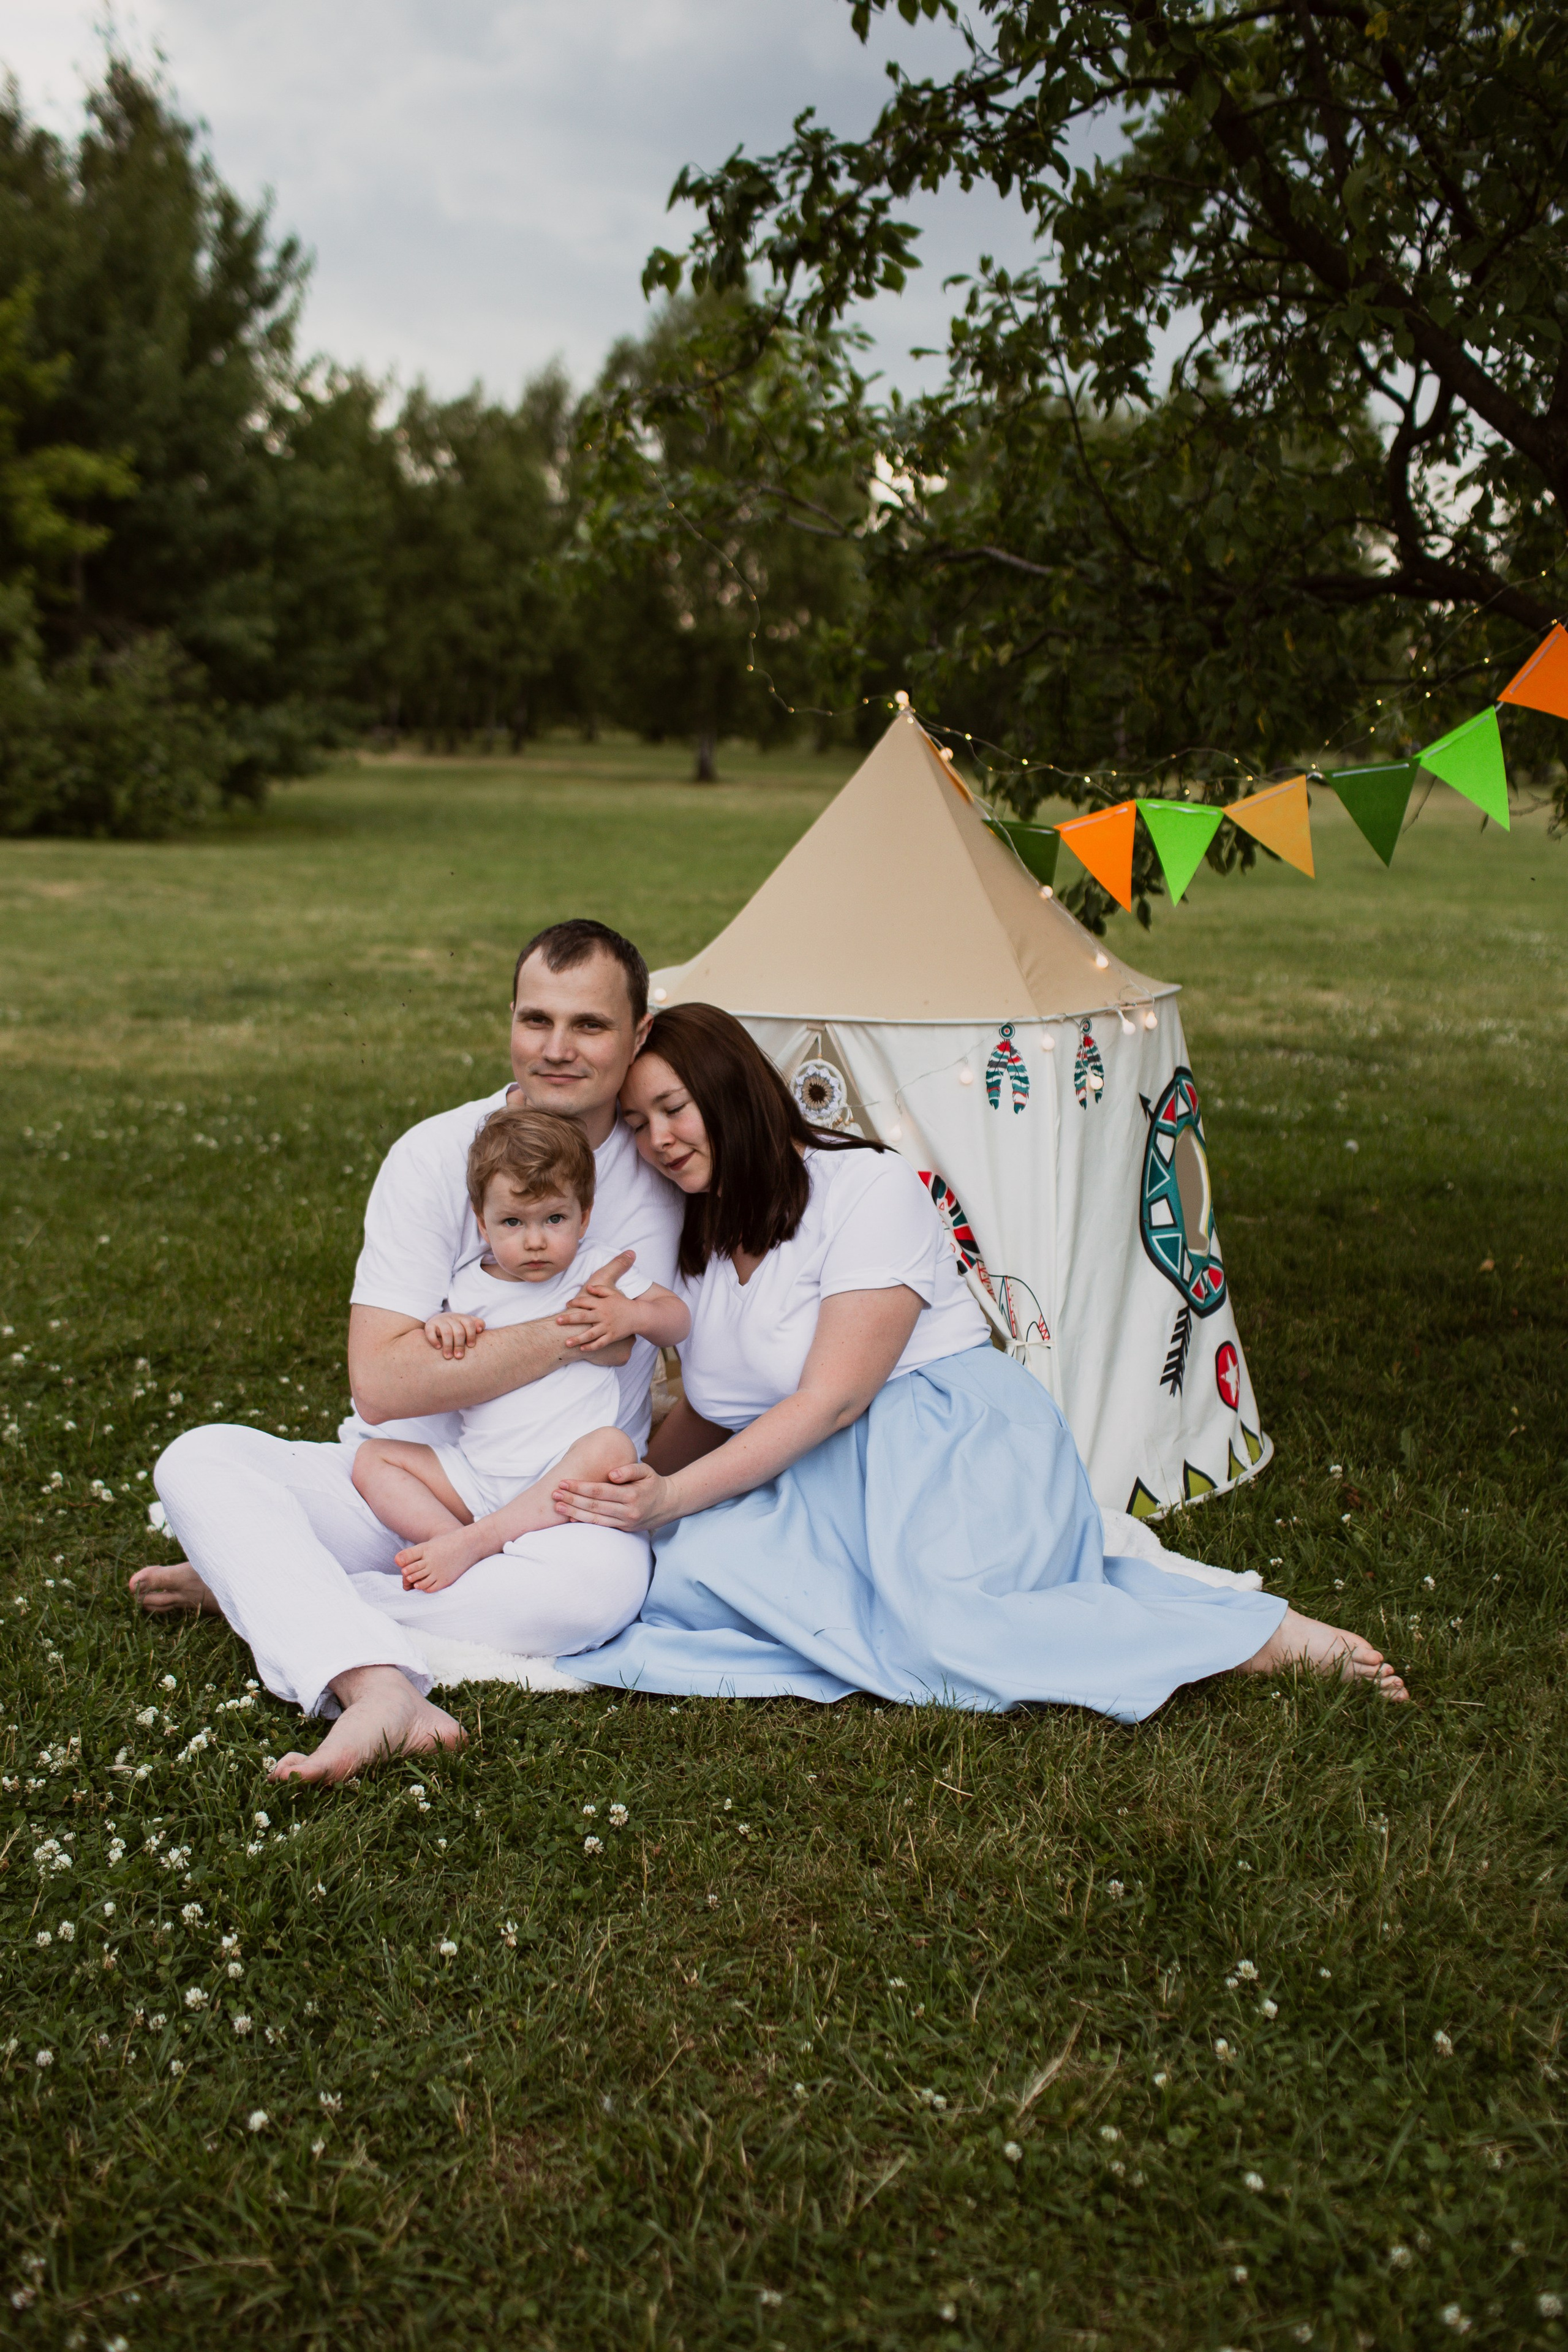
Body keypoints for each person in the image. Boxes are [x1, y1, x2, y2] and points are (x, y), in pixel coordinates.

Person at [554, 1003, 1409, 1714]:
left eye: (674, 1108)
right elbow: (715, 1404)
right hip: (820, 1479)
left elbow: (832, 1402)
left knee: (945, 1633)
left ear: (732, 1091)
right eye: (636, 1124)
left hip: (944, 1446)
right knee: (683, 1583)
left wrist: (668, 1497)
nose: (658, 1139)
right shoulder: (697, 1233)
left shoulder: (866, 1191)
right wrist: (622, 1493)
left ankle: (1253, 1638)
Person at [130, 919, 684, 1782]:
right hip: (412, 1484)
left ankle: (272, 1588)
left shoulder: (667, 1165)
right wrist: (576, 1331)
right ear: (509, 1020)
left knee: (596, 1594)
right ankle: (377, 1685)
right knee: (200, 1459)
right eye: (536, 1020)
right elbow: (383, 1385)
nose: (558, 1049)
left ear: (639, 1034)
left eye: (591, 1025)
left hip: (561, 1505)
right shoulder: (435, 1155)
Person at [354, 1104, 688, 1594]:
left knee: (613, 1447)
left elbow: (677, 1320)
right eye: (513, 1222)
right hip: (477, 1476)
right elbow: (436, 1355)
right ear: (483, 1225)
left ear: (584, 1217)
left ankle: (478, 1542)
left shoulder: (596, 1269)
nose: (535, 1241)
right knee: (371, 1460)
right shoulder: (466, 1286)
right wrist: (442, 1326)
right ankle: (449, 1537)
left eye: (554, 1218)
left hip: (564, 1476)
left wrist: (634, 1315)